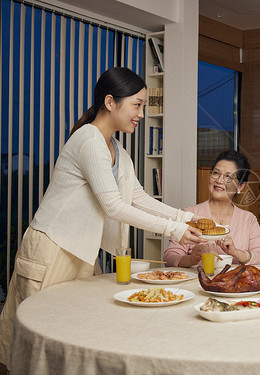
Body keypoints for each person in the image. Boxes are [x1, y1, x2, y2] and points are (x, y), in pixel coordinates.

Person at [0, 67, 204, 369]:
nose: (141, 114)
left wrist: (183, 218)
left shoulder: (117, 149)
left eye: (144, 106)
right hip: (51, 248)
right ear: (110, 102)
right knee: (38, 336)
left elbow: (138, 197)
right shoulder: (88, 140)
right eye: (137, 105)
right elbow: (114, 206)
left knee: (76, 334)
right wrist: (173, 229)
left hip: (81, 250)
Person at [164, 150, 260, 267]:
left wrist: (236, 252)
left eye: (228, 177)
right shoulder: (189, 214)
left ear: (240, 186)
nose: (219, 180)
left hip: (235, 284)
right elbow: (169, 258)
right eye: (216, 173)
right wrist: (191, 259)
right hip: (196, 283)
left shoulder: (248, 219)